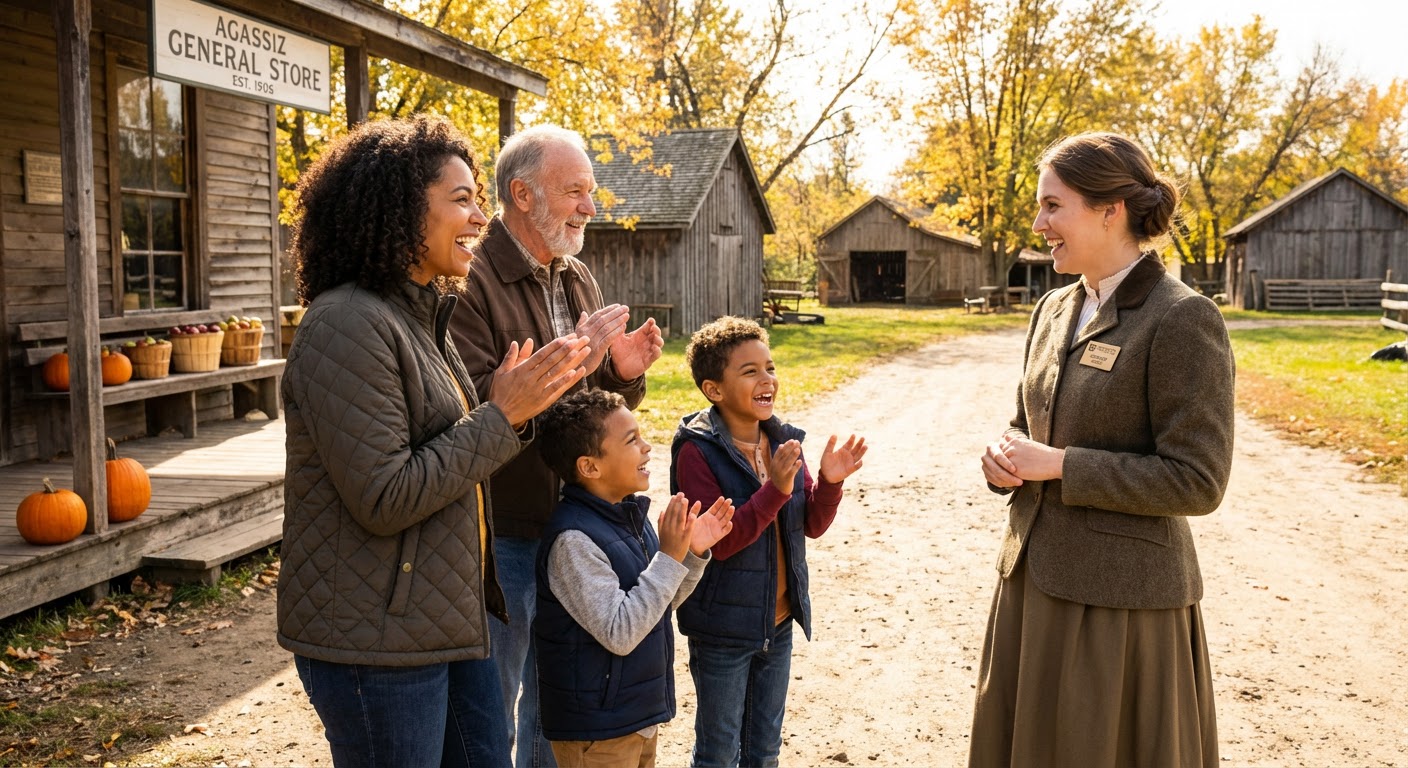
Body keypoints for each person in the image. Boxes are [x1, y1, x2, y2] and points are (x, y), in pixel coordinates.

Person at [277, 115, 593, 768]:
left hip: (446, 622)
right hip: (377, 644)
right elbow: (384, 495)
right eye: (461, 199)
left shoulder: (419, 318)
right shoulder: (345, 324)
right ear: (398, 209)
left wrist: (513, 406)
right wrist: (502, 416)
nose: (481, 217)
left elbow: (452, 448)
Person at [972, 131, 1235, 767]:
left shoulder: (1182, 318)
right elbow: (1026, 423)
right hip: (1033, 581)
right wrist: (1004, 462)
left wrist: (1061, 466)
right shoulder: (1053, 308)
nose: (1040, 224)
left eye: (1053, 206)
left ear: (1109, 210)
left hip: (1122, 606)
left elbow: (1198, 481)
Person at [450, 124, 665, 768]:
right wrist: (577, 363)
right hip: (506, 530)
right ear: (521, 194)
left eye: (590, 192)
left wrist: (621, 373)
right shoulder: (469, 279)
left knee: (559, 702)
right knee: (494, 701)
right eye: (575, 191)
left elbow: (589, 409)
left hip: (575, 528)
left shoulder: (576, 277)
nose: (589, 207)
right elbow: (467, 400)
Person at [669, 316, 868, 768]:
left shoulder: (783, 440)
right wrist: (775, 488)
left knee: (764, 751)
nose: (767, 380)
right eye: (750, 371)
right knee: (718, 752)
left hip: (776, 625)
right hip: (721, 631)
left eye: (770, 367)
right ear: (713, 389)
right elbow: (721, 543)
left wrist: (831, 483)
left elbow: (810, 524)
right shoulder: (696, 452)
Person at [532, 389, 735, 767]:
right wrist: (671, 556)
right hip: (597, 733)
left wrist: (690, 555)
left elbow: (656, 605)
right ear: (589, 467)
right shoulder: (573, 541)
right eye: (631, 440)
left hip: (634, 717)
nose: (647, 447)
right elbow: (621, 632)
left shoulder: (628, 518)